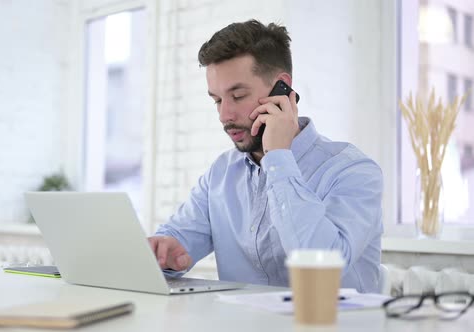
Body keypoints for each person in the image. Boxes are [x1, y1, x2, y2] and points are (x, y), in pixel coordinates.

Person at [148, 19, 383, 293]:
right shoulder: (221, 174)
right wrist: (166, 250)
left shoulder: (354, 171)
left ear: (280, 88)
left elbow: (321, 268)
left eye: (237, 95)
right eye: (217, 100)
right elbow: (178, 238)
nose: (224, 115)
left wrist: (279, 158)